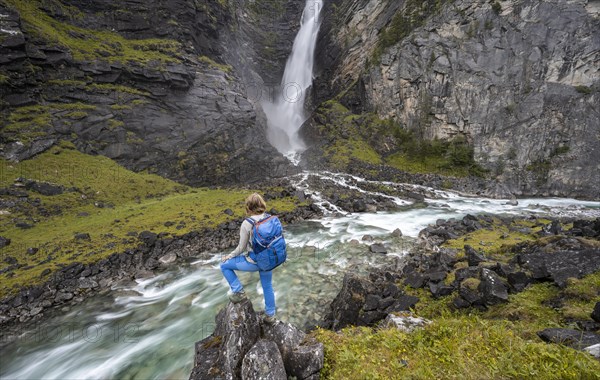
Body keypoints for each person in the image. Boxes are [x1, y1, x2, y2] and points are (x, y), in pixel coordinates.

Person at [220, 193, 277, 323]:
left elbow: (241, 248)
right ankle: (270, 315)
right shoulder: (270, 218)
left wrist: (229, 256)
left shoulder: (247, 223)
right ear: (262, 204)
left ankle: (238, 291)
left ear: (248, 208)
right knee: (267, 286)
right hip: (269, 259)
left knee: (224, 265)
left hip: (255, 261)